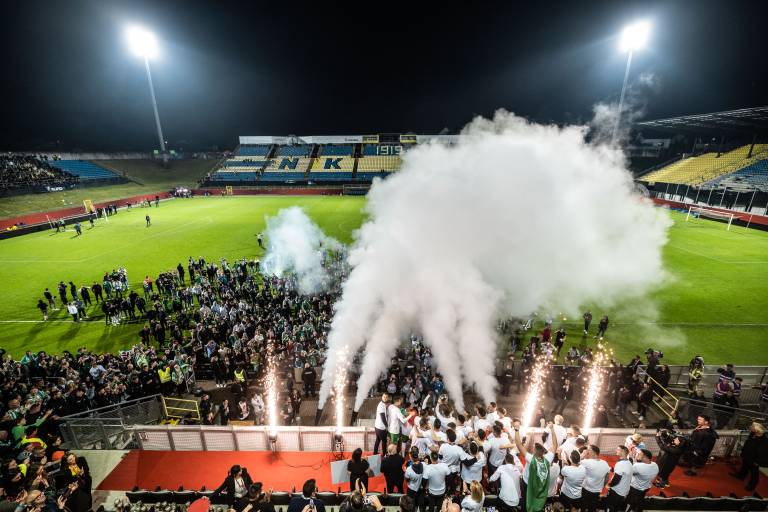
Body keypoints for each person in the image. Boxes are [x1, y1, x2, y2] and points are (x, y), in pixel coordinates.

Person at [513, 419, 555, 512]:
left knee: (525, 502)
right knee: (537, 501)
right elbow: (555, 445)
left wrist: (516, 430)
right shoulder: (548, 459)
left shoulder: (531, 459)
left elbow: (518, 444)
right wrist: (552, 429)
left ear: (535, 451)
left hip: (528, 484)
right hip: (540, 485)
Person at [730, 422, 768, 491]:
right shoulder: (753, 434)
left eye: (752, 426)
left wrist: (758, 462)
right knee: (744, 466)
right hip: (747, 455)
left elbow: (763, 453)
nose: (750, 427)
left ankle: (752, 485)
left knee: (754, 472)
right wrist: (743, 453)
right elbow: (748, 443)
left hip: (754, 459)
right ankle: (741, 476)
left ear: (757, 429)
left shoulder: (764, 440)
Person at [580, 445, 610, 512]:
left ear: (593, 452)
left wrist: (583, 455)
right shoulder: (605, 463)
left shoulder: (586, 462)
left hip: (586, 489)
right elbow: (607, 478)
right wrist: (601, 486)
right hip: (597, 490)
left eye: (588, 450)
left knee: (583, 506)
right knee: (592, 507)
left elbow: (575, 462)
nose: (587, 451)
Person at [605, 446, 632, 512]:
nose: (616, 451)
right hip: (623, 491)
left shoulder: (620, 464)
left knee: (610, 507)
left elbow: (617, 479)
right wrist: (611, 469)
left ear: (622, 452)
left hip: (616, 491)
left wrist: (609, 485)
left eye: (618, 450)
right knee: (616, 507)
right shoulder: (628, 462)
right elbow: (622, 471)